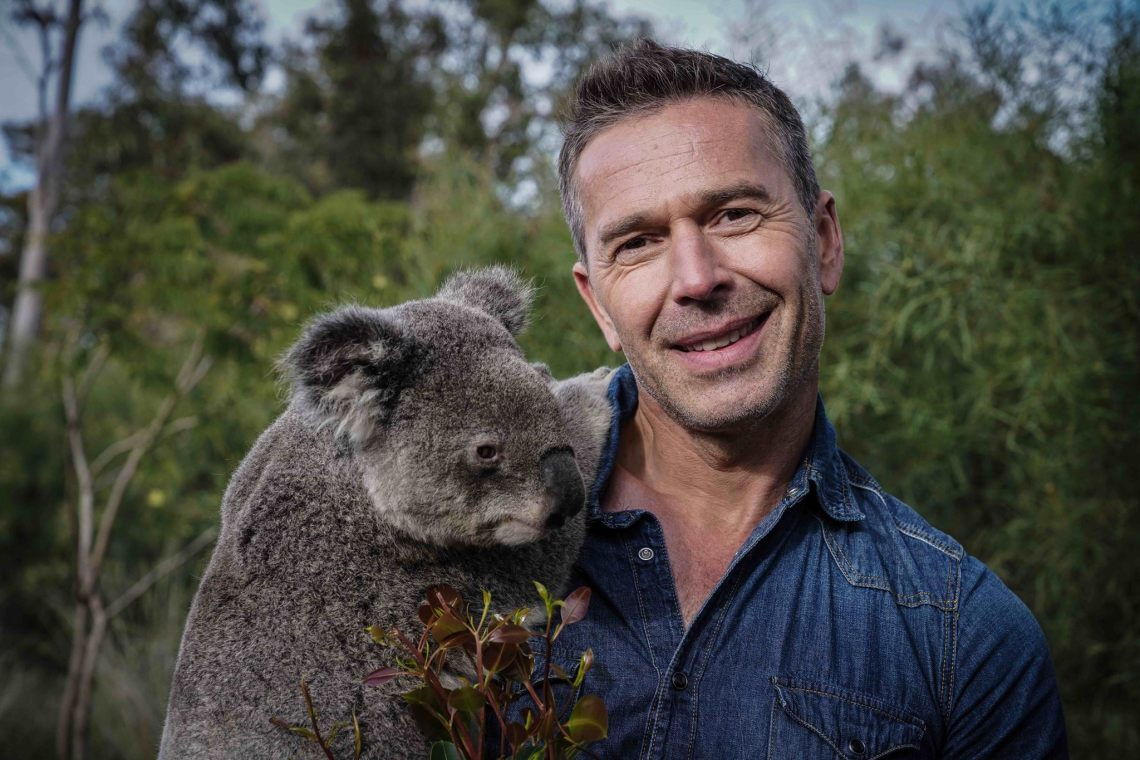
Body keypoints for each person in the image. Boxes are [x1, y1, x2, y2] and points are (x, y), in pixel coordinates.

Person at [539, 39, 1068, 758]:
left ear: (823, 241)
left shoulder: (964, 639)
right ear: (597, 303)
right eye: (638, 242)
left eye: (733, 215)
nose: (696, 278)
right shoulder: (447, 557)